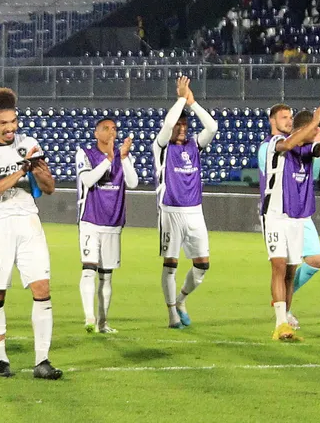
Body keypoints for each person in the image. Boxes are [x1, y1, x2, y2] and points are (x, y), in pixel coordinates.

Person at [0, 87, 61, 379]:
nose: (11, 127)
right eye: (4, 122)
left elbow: (48, 189)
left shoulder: (29, 144)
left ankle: (42, 361)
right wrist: (19, 173)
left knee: (42, 288)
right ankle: (1, 360)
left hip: (28, 221)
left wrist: (39, 172)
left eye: (13, 121)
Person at [260, 100, 320, 340]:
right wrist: (314, 121)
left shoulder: (303, 150)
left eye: (290, 116)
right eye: (283, 117)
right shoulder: (274, 143)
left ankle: (285, 320)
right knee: (279, 265)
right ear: (273, 121)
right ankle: (280, 324)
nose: (288, 119)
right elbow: (287, 143)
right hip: (275, 215)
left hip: (297, 217)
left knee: (291, 271)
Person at [153, 76, 218, 330]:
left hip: (195, 212)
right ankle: (171, 315)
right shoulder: (161, 146)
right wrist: (180, 98)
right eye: (177, 125)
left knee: (202, 265)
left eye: (184, 125)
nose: (181, 128)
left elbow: (211, 127)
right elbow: (169, 122)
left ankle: (181, 300)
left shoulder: (194, 145)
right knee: (170, 265)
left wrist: (192, 103)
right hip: (170, 212)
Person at [76, 117, 138, 333]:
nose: (111, 132)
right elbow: (88, 180)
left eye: (114, 128)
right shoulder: (85, 153)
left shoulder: (122, 157)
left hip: (113, 222)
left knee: (107, 276)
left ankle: (103, 323)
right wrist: (108, 160)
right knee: (88, 270)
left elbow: (133, 182)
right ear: (96, 134)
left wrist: (124, 157)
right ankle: (89, 318)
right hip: (90, 221)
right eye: (106, 128)